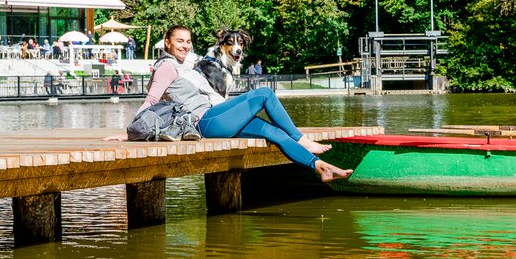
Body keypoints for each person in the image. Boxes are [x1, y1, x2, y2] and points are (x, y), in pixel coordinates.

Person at [110, 25, 352, 183]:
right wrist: (129, 133)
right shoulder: (166, 65)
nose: (185, 45)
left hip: (215, 119)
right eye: (179, 41)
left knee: (272, 132)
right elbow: (151, 100)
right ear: (167, 42)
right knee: (264, 93)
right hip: (205, 121)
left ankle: (320, 167)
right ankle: (301, 139)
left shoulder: (182, 63)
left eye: (188, 41)